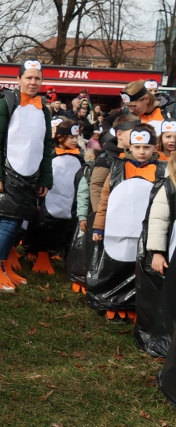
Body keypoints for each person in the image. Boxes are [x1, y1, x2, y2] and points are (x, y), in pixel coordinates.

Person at [0, 61, 53, 292]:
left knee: (17, 223)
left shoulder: (44, 109)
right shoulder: (5, 104)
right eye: (28, 77)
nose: (33, 82)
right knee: (9, 223)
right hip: (9, 174)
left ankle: (3, 268)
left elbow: (46, 146)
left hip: (31, 177)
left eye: (37, 78)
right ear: (18, 80)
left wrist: (45, 178)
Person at [91, 123, 164, 321]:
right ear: (129, 146)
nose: (142, 152)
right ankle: (115, 303)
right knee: (118, 265)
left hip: (147, 230)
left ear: (155, 147)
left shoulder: (161, 170)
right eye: (137, 147)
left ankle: (139, 305)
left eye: (146, 147)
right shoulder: (117, 168)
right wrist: (99, 226)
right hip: (119, 228)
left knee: (141, 267)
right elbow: (105, 200)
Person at [24, 120, 83, 275]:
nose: (75, 141)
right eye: (71, 137)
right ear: (60, 137)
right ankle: (39, 253)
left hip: (70, 202)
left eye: (76, 137)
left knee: (66, 228)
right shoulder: (50, 156)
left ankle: (60, 253)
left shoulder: (80, 158)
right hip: (48, 200)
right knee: (44, 227)